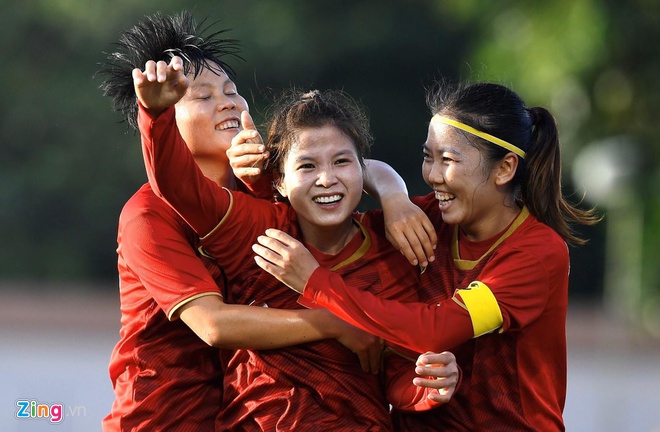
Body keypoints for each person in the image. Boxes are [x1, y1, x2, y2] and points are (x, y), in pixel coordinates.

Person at [97, 10, 430, 431]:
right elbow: (213, 324)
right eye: (202, 96)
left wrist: (395, 198)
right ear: (165, 112)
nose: (228, 103)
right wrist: (336, 320)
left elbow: (343, 166)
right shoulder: (147, 215)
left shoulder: (260, 188)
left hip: (234, 416)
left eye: (231, 90)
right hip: (159, 418)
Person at [252, 80, 601, 431]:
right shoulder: (423, 219)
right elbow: (347, 168)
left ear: (505, 168)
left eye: (447, 159)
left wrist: (315, 282)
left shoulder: (536, 253)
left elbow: (434, 330)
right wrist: (393, 196)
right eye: (427, 157)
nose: (432, 176)